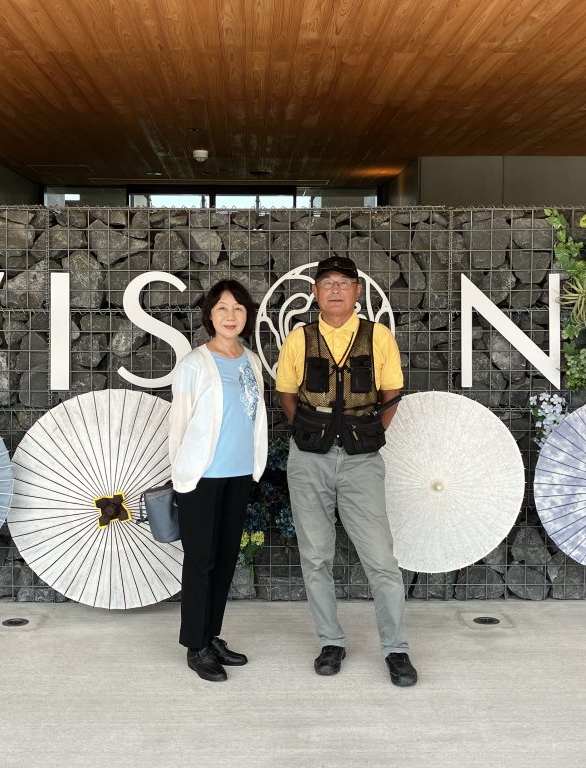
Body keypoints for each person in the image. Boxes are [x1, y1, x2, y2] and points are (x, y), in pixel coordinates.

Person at [274, 255, 417, 687]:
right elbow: (286, 393)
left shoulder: (378, 336)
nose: (335, 289)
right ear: (314, 292)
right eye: (327, 282)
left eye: (343, 282)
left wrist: (369, 432)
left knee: (381, 559)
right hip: (309, 459)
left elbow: (392, 392)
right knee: (315, 556)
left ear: (357, 291)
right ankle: (330, 641)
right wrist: (309, 429)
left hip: (362, 460)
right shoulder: (299, 338)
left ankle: (396, 649)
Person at [168, 279, 268, 682]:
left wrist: (255, 465)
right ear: (210, 315)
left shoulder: (252, 361)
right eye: (222, 308)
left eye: (238, 308)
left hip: (239, 473)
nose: (230, 315)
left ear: (247, 315)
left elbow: (254, 418)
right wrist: (182, 476)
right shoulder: (194, 364)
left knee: (225, 561)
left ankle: (212, 636)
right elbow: (178, 425)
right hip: (202, 478)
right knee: (201, 562)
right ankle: (196, 646)